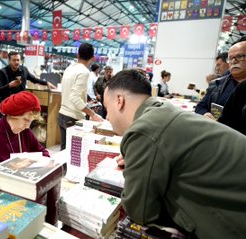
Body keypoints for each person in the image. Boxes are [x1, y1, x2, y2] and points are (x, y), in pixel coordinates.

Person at [103, 69, 246, 239]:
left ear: (119, 101)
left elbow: (140, 211)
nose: (107, 118)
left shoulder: (144, 129)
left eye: (106, 108)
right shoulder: (162, 110)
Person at [58, 43, 103, 150]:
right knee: (74, 154)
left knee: (64, 152)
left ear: (77, 55)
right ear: (93, 58)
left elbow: (69, 91)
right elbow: (74, 97)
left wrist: (86, 98)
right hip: (73, 118)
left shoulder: (69, 68)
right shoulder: (84, 72)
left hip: (62, 115)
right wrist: (93, 115)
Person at [195, 40, 246, 119]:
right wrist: (205, 114)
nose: (234, 61)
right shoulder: (216, 84)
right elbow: (200, 107)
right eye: (230, 58)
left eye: (240, 56)